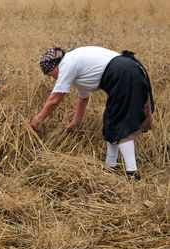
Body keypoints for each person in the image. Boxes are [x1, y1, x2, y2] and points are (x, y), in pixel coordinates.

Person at [31, 46, 154, 180]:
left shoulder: (67, 64)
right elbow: (83, 99)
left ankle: (132, 174)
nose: (51, 77)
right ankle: (111, 166)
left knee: (120, 123)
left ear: (56, 65)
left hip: (123, 73)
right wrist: (75, 122)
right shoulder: (74, 66)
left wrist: (37, 120)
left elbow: (54, 100)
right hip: (126, 71)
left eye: (50, 73)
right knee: (111, 120)